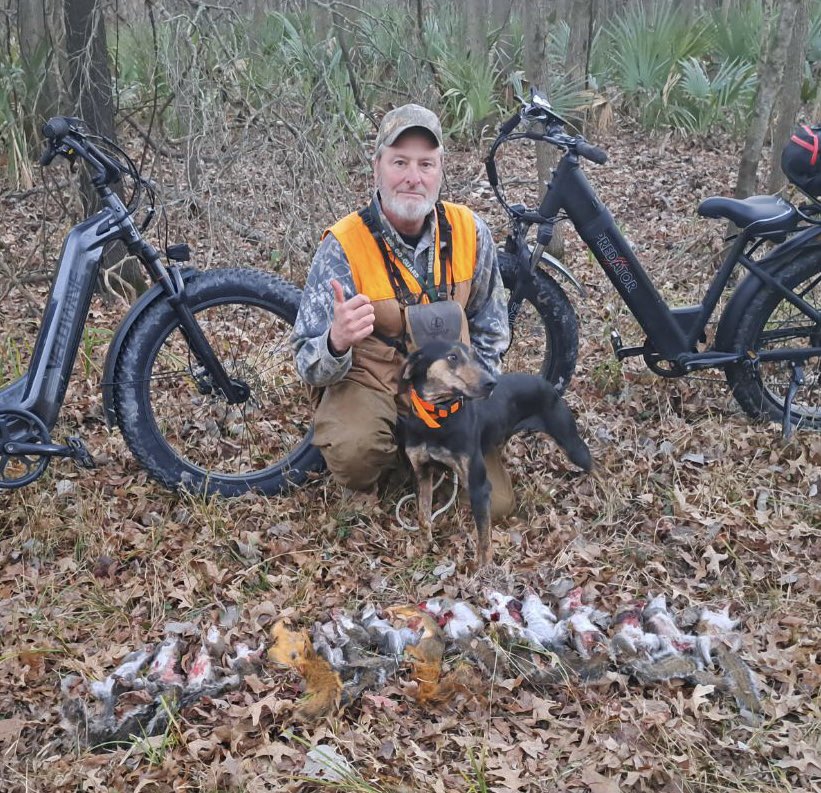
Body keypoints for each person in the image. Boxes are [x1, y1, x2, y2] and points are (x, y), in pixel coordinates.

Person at [291, 103, 514, 517]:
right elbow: (307, 361)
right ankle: (386, 463)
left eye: (426, 164)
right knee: (355, 451)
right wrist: (336, 342)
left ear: (440, 171)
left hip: (450, 385)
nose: (414, 177)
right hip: (375, 382)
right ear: (377, 167)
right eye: (400, 162)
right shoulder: (344, 245)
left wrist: (475, 391)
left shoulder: (470, 231)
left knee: (499, 508)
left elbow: (491, 327)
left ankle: (439, 448)